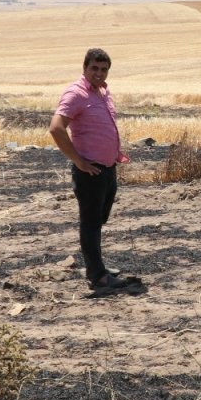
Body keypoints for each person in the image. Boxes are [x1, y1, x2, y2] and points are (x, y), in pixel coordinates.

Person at [49, 48, 142, 295]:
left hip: (107, 167)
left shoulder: (103, 92)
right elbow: (56, 128)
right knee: (90, 222)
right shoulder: (76, 93)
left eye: (103, 69)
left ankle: (97, 266)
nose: (99, 73)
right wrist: (78, 161)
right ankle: (97, 276)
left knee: (98, 220)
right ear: (85, 67)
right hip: (89, 169)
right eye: (94, 69)